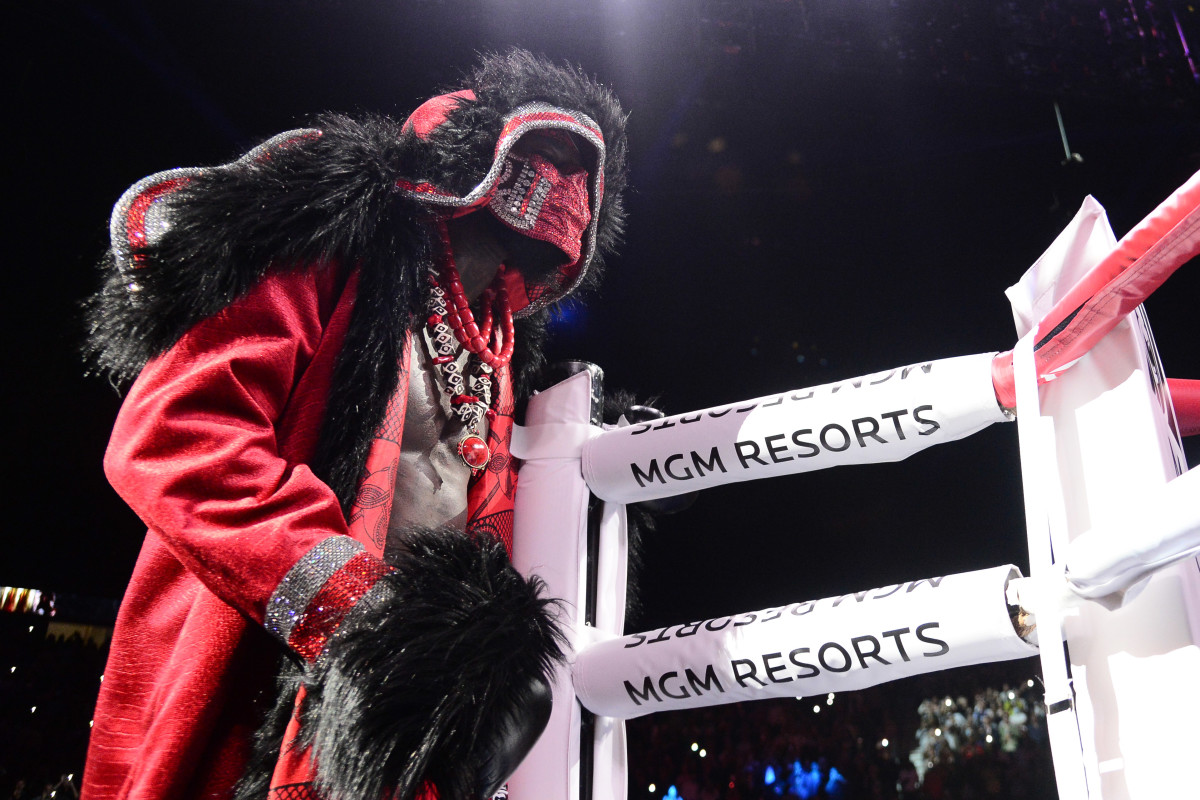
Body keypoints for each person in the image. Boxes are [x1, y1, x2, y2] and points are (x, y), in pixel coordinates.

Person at [81, 50, 628, 800]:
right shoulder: (332, 244)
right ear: (478, 147)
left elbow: (472, 507)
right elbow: (175, 435)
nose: (567, 183)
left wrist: (615, 477)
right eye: (555, 151)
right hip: (267, 664)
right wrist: (354, 605)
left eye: (583, 167)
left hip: (391, 712)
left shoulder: (495, 340)